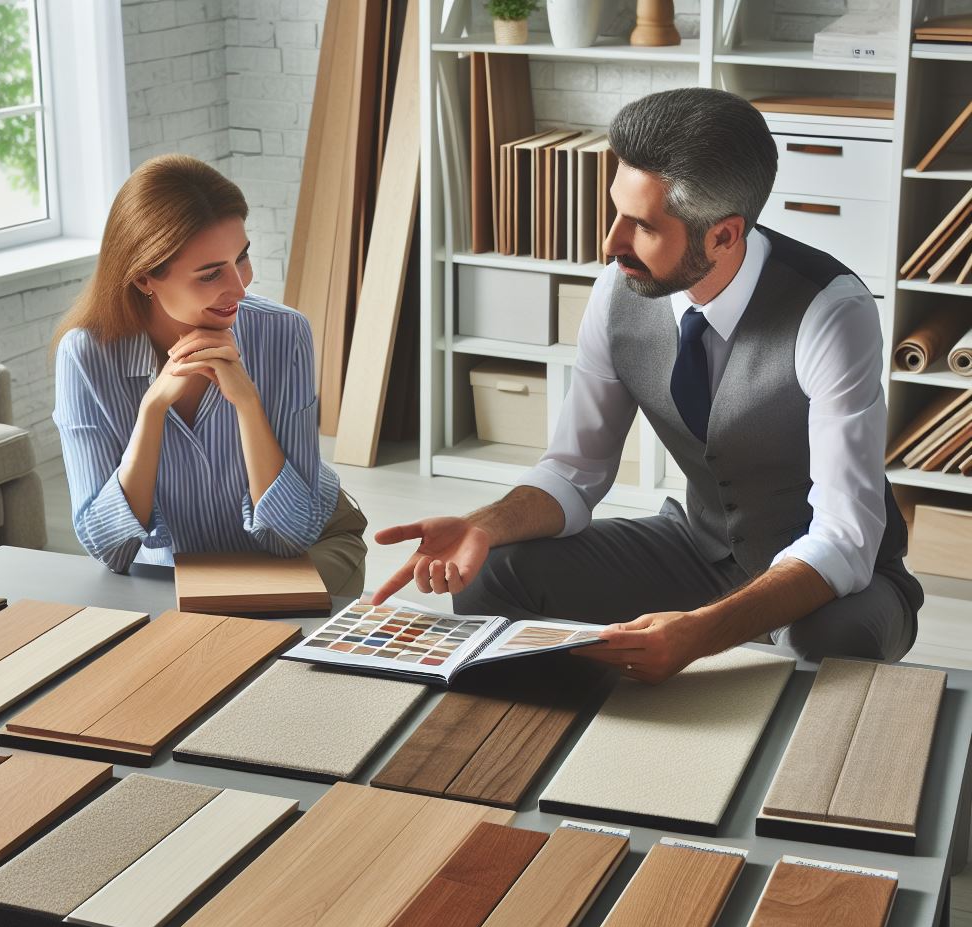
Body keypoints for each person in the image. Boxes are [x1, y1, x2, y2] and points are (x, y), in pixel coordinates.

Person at [373, 87, 923, 681]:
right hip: (699, 547)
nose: (611, 244)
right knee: (494, 572)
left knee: (834, 644)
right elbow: (572, 473)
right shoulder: (619, 291)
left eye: (642, 226)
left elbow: (844, 535)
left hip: (835, 579)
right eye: (616, 212)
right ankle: (598, 725)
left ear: (723, 236)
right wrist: (485, 524)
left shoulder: (831, 312)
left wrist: (705, 630)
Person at [52, 154, 367, 595]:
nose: (240, 288)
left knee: (240, 616)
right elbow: (110, 549)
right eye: (209, 274)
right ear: (145, 278)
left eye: (241, 258)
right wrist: (153, 410)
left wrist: (248, 404)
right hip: (182, 576)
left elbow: (291, 535)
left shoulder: (284, 332)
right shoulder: (85, 356)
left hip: (309, 547)